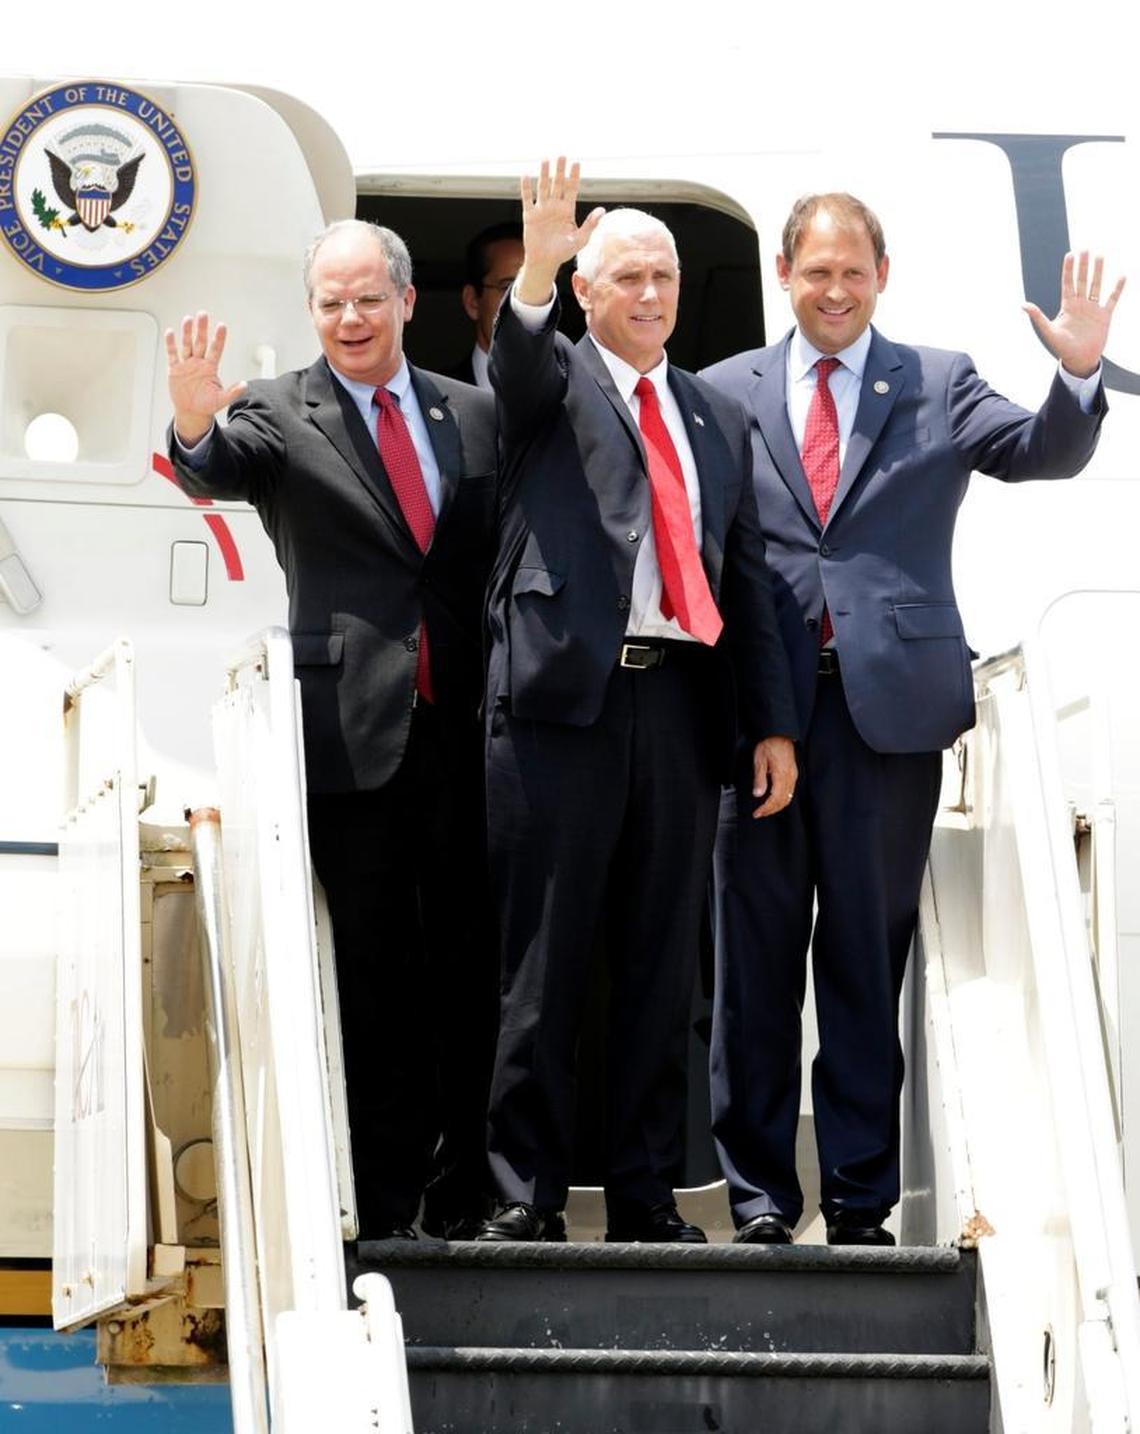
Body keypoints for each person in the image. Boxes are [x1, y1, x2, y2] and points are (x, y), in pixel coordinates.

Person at [702, 192, 1125, 1247]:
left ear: (880, 274)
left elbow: (1042, 453)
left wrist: (1078, 378)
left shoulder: (936, 381)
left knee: (861, 960)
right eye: (815, 273)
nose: (834, 291)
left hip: (885, 721)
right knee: (752, 967)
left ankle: (857, 1202)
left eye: (853, 272)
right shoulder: (722, 392)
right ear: (785, 278)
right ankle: (757, 1200)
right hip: (759, 716)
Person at [477, 159, 799, 1244]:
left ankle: (647, 1194)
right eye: (626, 278)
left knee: (662, 966)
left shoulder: (714, 412)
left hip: (677, 711)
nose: (651, 295)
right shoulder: (550, 382)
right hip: (564, 707)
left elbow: (745, 579)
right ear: (585, 290)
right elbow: (512, 365)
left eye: (662, 275)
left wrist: (771, 725)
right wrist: (537, 270)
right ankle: (523, 1194)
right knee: (548, 960)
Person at [165, 219, 499, 1242]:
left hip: (472, 733)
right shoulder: (276, 412)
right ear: (313, 311)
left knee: (473, 971)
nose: (348, 319)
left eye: (366, 299)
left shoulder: (475, 414)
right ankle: (389, 1197)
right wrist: (189, 423)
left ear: (406, 301)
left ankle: (472, 1192)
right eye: (329, 303)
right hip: (353, 738)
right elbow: (211, 467)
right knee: (377, 975)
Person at [448, 222, 525, 389]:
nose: (524, 302)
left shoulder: (571, 395)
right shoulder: (432, 393)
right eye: (507, 288)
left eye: (537, 287)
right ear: (473, 302)